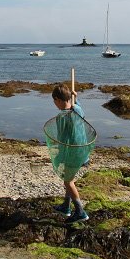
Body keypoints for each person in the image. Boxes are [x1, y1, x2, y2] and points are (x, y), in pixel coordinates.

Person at [51, 84, 90, 223]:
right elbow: (76, 105)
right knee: (69, 178)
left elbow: (62, 139)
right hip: (83, 152)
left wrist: (59, 156)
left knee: (68, 181)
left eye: (54, 101)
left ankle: (80, 212)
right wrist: (76, 97)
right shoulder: (78, 109)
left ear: (58, 99)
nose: (55, 105)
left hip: (72, 154)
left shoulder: (62, 117)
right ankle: (66, 207)